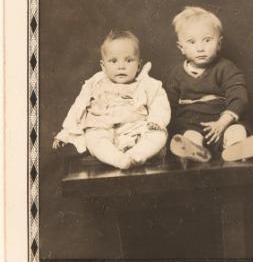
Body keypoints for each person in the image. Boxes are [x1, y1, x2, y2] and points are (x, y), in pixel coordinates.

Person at [53, 30, 171, 169]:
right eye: (113, 61)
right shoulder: (95, 83)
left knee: (159, 135)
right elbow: (78, 108)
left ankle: (138, 154)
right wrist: (66, 132)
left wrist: (156, 121)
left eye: (129, 60)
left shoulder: (147, 84)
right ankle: (118, 159)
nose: (121, 66)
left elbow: (159, 104)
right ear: (103, 66)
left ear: (138, 65)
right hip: (103, 128)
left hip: (135, 129)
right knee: (93, 138)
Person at [165, 6, 253, 162]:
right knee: (190, 136)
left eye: (207, 40)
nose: (200, 48)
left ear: (219, 43)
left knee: (237, 130)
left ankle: (236, 148)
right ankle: (195, 152)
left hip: (223, 124)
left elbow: (239, 97)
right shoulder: (176, 75)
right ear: (181, 48)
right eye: (192, 42)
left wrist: (222, 123)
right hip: (192, 125)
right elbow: (167, 106)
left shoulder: (226, 68)